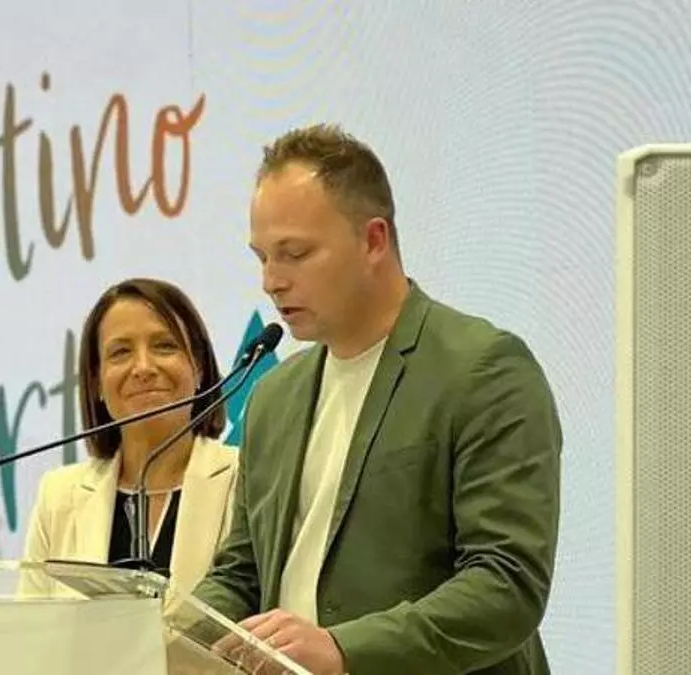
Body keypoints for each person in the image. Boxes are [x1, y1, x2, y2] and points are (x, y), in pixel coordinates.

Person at [191, 125, 563, 675]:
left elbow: (507, 584)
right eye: (262, 257)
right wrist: (172, 633)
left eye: (295, 254)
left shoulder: (483, 370)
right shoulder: (274, 396)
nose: (271, 281)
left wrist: (345, 650)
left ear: (373, 241)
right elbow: (242, 573)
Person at [22, 277, 240, 602]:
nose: (143, 367)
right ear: (96, 381)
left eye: (164, 346)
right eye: (121, 352)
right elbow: (31, 624)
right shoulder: (59, 495)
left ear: (198, 368)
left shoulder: (245, 478)